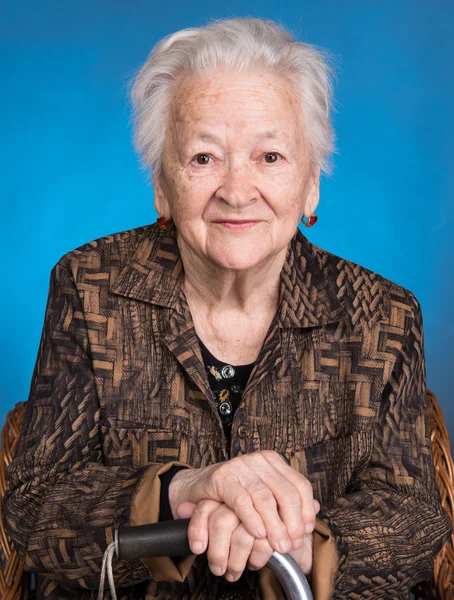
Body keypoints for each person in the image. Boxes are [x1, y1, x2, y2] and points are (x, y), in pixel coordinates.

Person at [3, 17, 451, 600]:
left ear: (311, 184)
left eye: (269, 157)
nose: (237, 191)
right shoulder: (91, 288)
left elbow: (413, 518)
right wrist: (182, 493)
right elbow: (37, 504)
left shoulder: (383, 318)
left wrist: (304, 546)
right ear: (162, 184)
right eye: (204, 158)